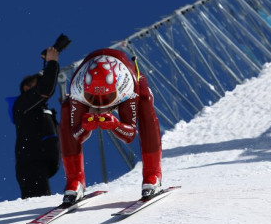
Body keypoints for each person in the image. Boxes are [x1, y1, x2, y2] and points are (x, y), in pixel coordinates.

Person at [59, 48, 163, 204]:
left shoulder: (128, 86)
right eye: (93, 98)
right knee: (66, 109)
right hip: (92, 90)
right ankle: (75, 181)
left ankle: (153, 174)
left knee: (145, 101)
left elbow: (129, 136)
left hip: (123, 87)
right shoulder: (78, 89)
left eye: (106, 98)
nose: (101, 105)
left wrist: (115, 124)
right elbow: (77, 135)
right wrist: (85, 127)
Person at [12, 47, 61, 199]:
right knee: (36, 202)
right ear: (27, 88)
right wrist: (52, 62)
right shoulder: (23, 104)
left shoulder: (43, 111)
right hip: (30, 163)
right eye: (36, 83)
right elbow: (46, 89)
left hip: (44, 163)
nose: (40, 84)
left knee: (41, 202)